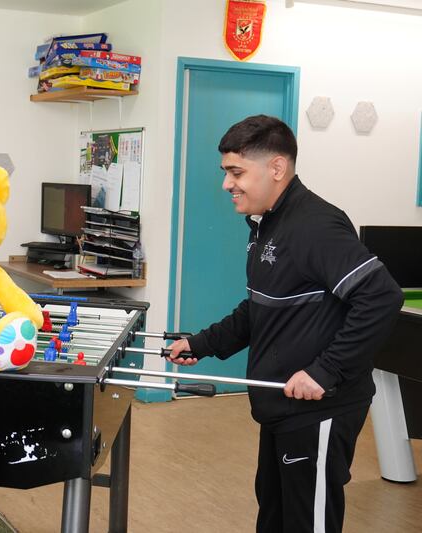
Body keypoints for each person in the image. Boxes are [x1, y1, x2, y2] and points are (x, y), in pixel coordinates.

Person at [167, 115, 403, 533]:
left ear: (276, 168)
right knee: (274, 515)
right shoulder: (266, 224)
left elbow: (381, 296)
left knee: (307, 522)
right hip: (279, 405)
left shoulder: (315, 225)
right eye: (226, 172)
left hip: (320, 408)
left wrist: (325, 370)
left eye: (236, 172)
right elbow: (261, 308)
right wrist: (201, 343)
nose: (227, 184)